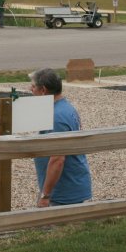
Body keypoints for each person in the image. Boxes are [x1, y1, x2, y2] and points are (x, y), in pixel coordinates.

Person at [30, 68, 92, 206]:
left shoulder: (56, 117)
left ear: (43, 90)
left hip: (64, 194)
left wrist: (46, 195)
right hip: (71, 186)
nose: (30, 89)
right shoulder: (66, 108)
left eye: (33, 87)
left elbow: (57, 159)